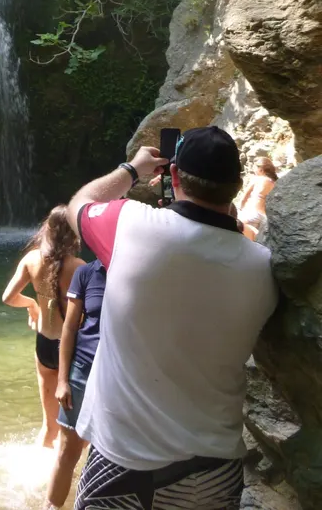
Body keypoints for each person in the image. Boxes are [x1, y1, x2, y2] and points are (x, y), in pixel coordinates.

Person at [64, 126, 278, 510]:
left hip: (124, 465)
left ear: (173, 176)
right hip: (215, 470)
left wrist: (132, 169)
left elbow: (77, 205)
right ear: (235, 186)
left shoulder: (130, 225)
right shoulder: (262, 266)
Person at [1, 206, 83, 447]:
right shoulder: (78, 266)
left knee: (49, 427)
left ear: (47, 229)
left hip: (44, 346)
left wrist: (31, 306)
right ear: (72, 234)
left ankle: (38, 479)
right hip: (72, 350)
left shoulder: (31, 260)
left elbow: (8, 297)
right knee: (75, 428)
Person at [47, 258, 106, 507]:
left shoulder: (137, 269)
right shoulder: (86, 273)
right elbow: (69, 328)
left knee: (106, 453)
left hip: (118, 374)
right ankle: (50, 506)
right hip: (82, 368)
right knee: (66, 450)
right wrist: (62, 380)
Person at [239, 156, 278, 241]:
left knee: (238, 232)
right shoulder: (274, 183)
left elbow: (244, 197)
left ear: (261, 169)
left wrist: (241, 209)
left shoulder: (257, 179)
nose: (254, 170)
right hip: (263, 216)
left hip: (251, 213)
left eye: (255, 168)